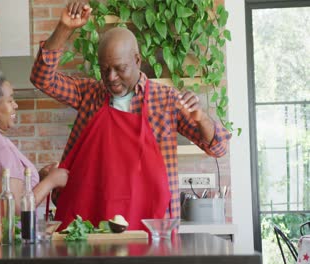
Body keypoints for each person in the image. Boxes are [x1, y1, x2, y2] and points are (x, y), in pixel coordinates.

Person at [30, 1, 232, 230]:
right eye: (105, 69)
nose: (112, 77)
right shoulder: (90, 94)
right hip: (92, 218)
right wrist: (65, 27)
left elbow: (218, 148)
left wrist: (202, 119)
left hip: (152, 225)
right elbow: (42, 78)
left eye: (120, 68)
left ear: (137, 60)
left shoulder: (166, 100)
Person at [0, 69, 69, 225]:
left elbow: (7, 188)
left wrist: (38, 178)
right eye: (10, 100)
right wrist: (51, 182)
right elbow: (15, 210)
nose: (16, 105)